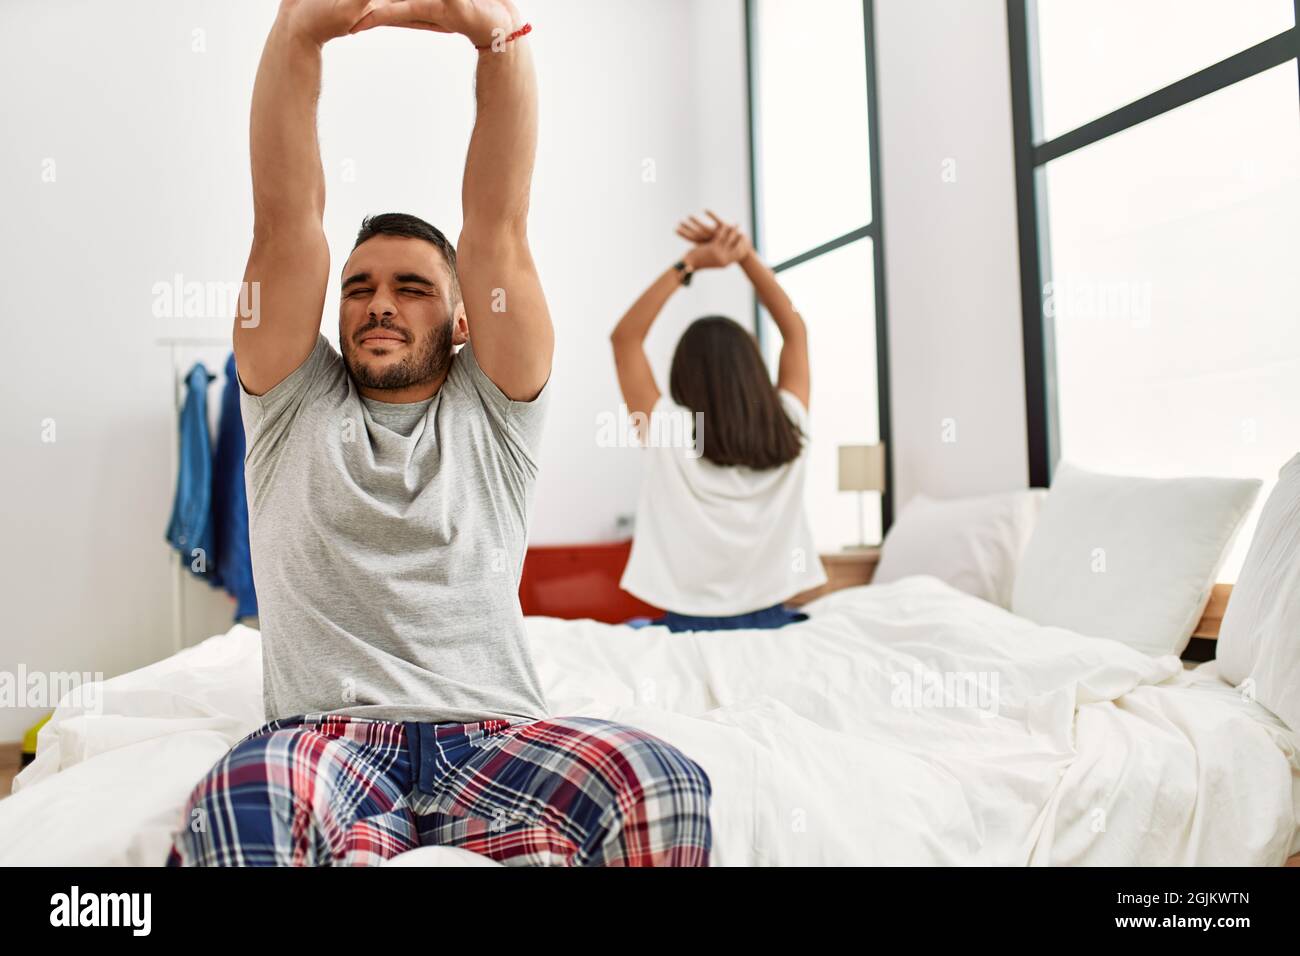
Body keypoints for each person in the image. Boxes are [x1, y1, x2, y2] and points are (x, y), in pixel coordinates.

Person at [166, 0, 711, 868]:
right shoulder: (288, 398)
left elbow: (498, 224)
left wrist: (495, 32)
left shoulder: (495, 407)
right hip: (329, 739)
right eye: (359, 286)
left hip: (492, 737)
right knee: (239, 806)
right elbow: (284, 223)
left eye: (413, 286)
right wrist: (299, 31)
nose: (380, 302)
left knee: (665, 785)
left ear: (464, 320)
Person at [610, 212, 828, 632]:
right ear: (753, 368)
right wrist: (744, 257)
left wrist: (689, 264)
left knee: (632, 632)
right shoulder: (790, 425)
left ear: (684, 376)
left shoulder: (666, 429)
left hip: (689, 624)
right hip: (773, 623)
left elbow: (625, 339)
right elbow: (795, 331)